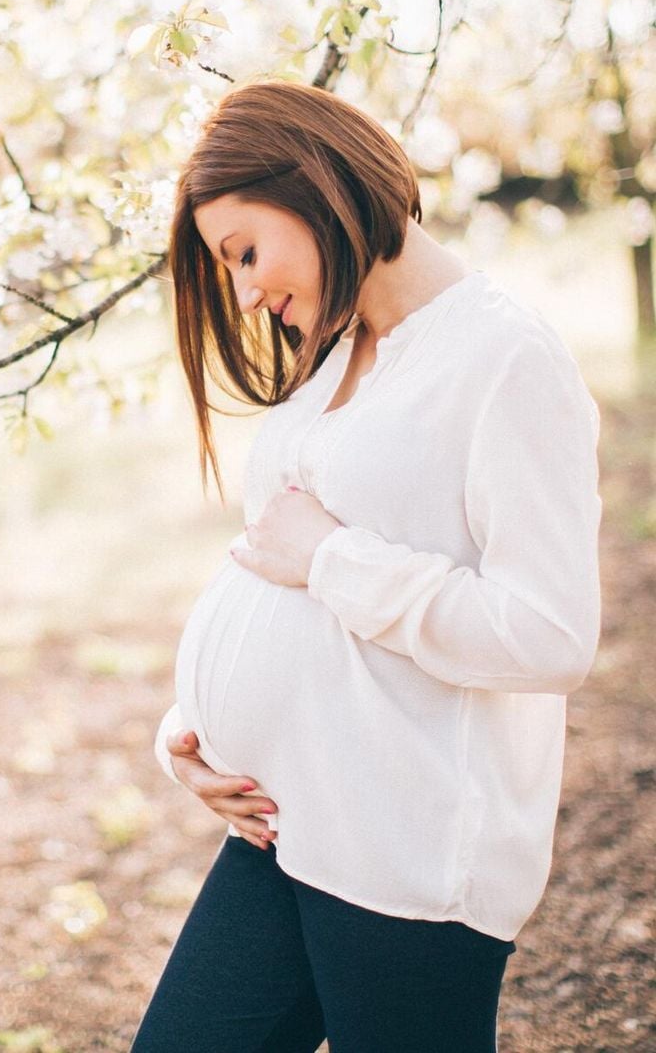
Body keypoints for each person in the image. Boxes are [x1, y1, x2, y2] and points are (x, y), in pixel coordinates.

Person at [129, 81, 602, 1053]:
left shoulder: (504, 359)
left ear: (314, 182)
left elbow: (551, 637)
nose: (248, 293)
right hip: (284, 827)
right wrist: (199, 730)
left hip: (405, 854)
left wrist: (338, 562)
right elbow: (275, 560)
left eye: (246, 253)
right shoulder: (338, 349)